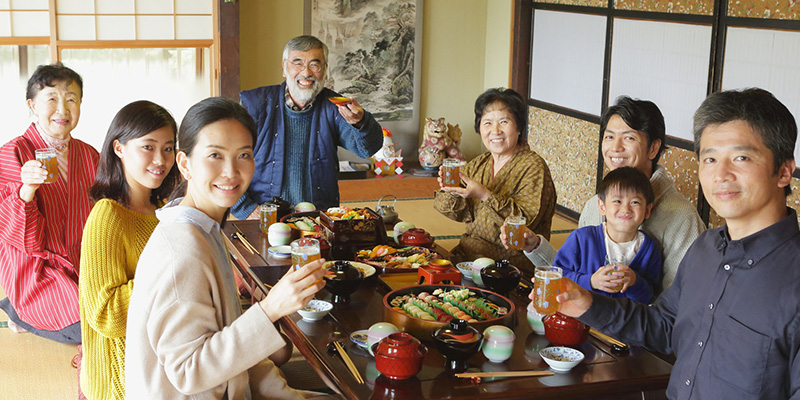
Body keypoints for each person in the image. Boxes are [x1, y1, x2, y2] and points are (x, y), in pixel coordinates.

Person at [554, 88, 799, 399]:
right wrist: (588, 304)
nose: (720, 174)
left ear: (784, 171)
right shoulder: (706, 249)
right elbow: (665, 326)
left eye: (741, 157)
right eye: (710, 158)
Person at [125, 97, 325, 399]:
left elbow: (240, 354)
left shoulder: (205, 227)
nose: (231, 171)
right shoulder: (182, 250)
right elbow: (189, 372)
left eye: (243, 154)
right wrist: (269, 310)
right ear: (185, 164)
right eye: (215, 155)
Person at [508, 96, 704, 290]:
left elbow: (678, 301)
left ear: (653, 148)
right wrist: (534, 246)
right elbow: (573, 272)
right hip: (587, 313)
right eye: (609, 137)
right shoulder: (595, 205)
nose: (615, 148)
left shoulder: (682, 218)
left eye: (629, 138)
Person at [78, 101, 180, 400]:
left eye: (168, 148)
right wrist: (174, 273)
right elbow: (106, 315)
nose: (160, 159)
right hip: (121, 382)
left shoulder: (161, 210)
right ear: (119, 148)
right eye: (148, 147)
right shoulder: (107, 215)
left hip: (158, 367)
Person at [0, 63, 98, 344]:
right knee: (86, 330)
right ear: (32, 105)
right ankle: (19, 311)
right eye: (51, 99)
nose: (62, 110)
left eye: (71, 99)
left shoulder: (89, 155)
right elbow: (19, 238)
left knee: (121, 315)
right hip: (35, 268)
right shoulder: (13, 152)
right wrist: (26, 189)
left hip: (82, 264)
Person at [232, 34, 383, 218]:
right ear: (284, 67)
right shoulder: (255, 104)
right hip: (264, 220)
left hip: (318, 220)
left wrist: (360, 122)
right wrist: (247, 209)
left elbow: (366, 149)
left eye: (314, 64)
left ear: (325, 69)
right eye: (298, 63)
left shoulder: (333, 106)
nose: (306, 73)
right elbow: (228, 161)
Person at [434, 88, 556, 272]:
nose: (495, 131)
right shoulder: (478, 164)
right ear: (479, 128)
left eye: (504, 122)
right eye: (487, 123)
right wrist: (451, 191)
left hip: (509, 265)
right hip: (468, 256)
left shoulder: (533, 166)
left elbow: (525, 221)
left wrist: (484, 194)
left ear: (519, 127)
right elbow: (453, 212)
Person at [553, 166, 662, 304]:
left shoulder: (649, 249)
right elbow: (556, 276)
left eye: (635, 202)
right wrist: (591, 281)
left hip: (623, 322)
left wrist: (635, 281)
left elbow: (649, 296)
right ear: (602, 207)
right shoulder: (582, 239)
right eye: (617, 201)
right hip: (581, 319)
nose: (625, 209)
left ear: (647, 210)